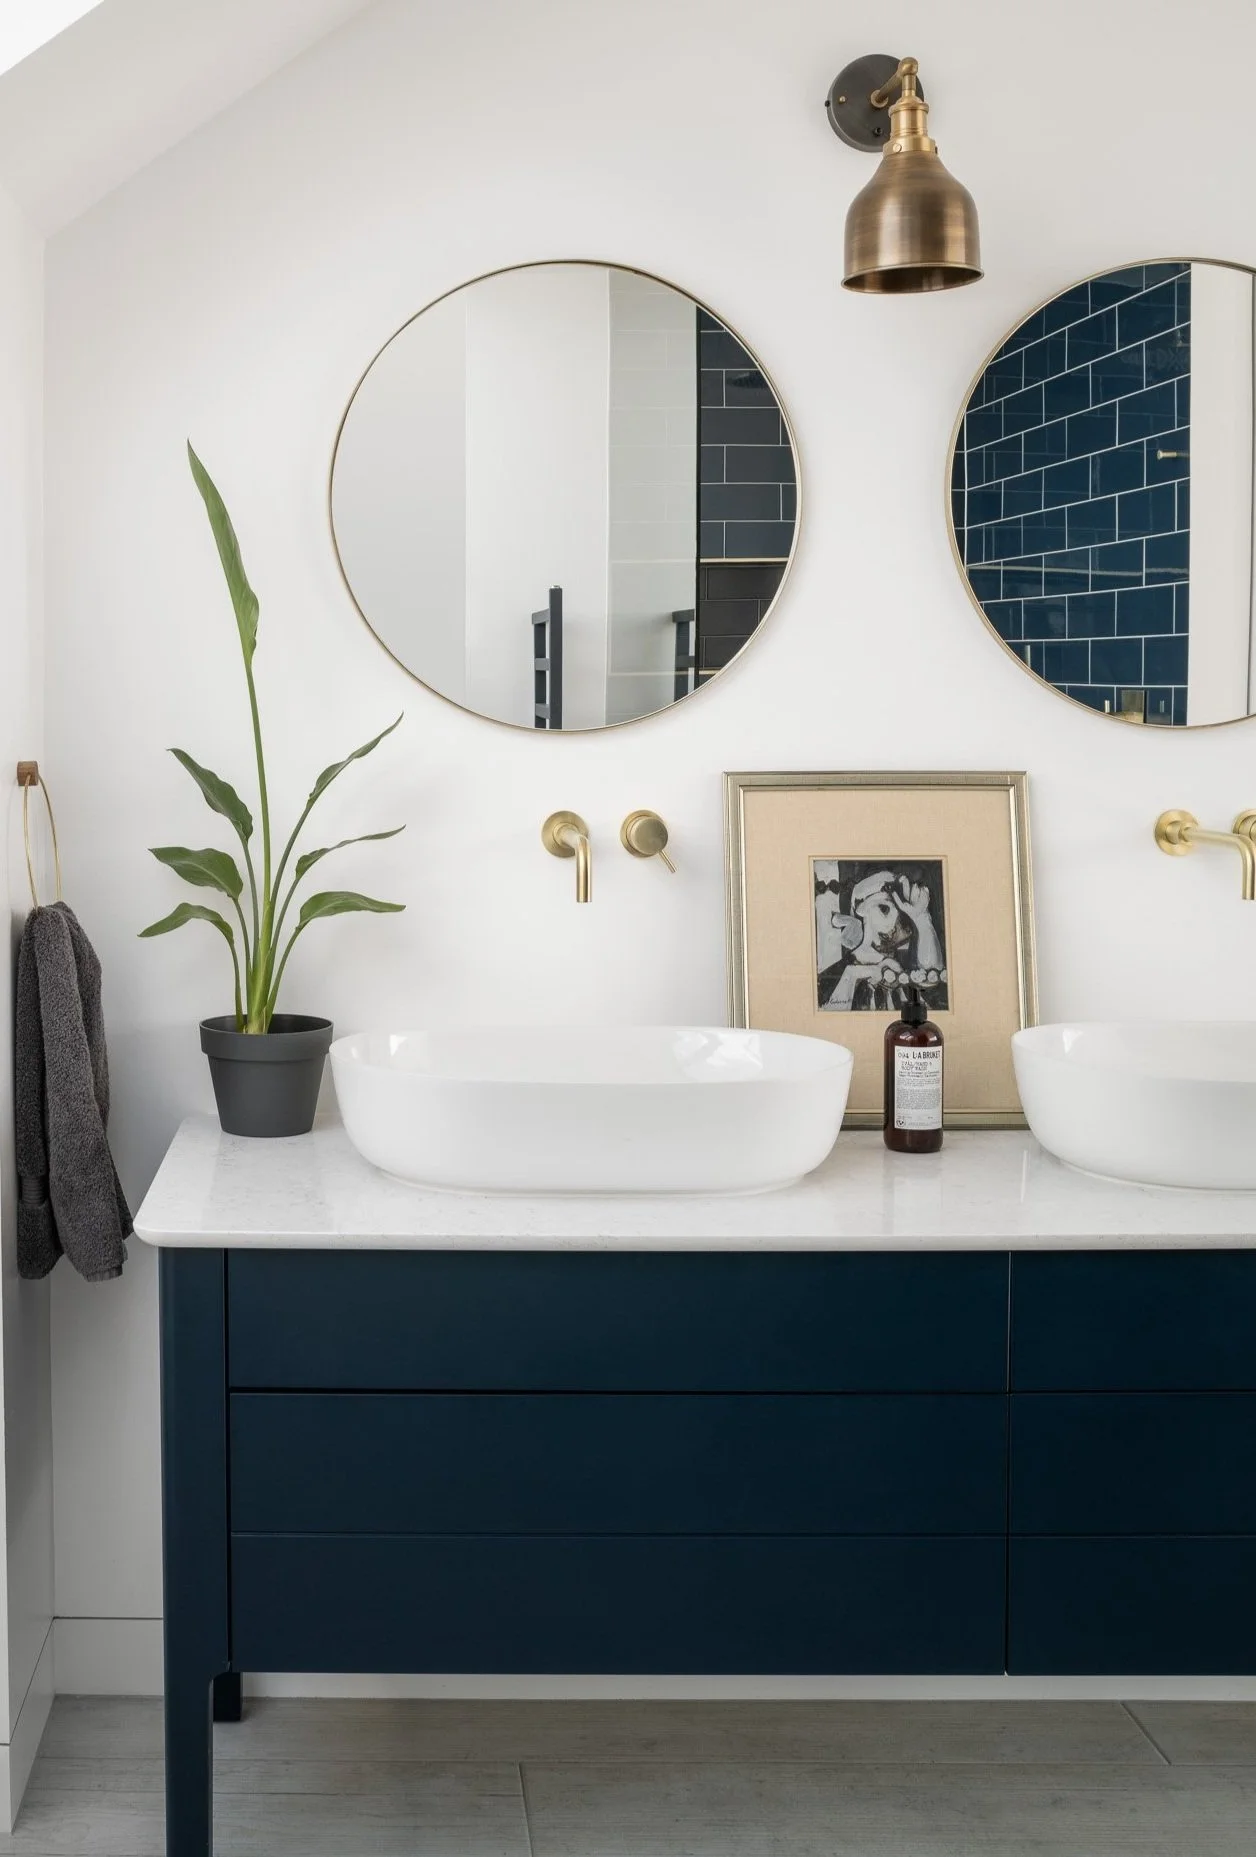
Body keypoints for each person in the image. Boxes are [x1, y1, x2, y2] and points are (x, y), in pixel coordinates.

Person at [817, 867, 947, 1011]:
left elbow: (933, 986)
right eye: (884, 908)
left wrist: (922, 919)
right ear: (863, 911)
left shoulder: (907, 963)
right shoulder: (835, 974)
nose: (895, 919)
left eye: (900, 911)